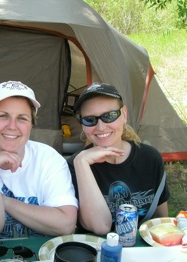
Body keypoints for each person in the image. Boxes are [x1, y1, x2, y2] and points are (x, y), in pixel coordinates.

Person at [0, 80, 78, 241]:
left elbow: (66, 225)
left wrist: (3, 200)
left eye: (22, 118)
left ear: (31, 125)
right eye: (3, 116)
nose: (12, 126)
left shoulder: (49, 159)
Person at [67, 82, 169, 235]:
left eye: (109, 116)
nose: (101, 127)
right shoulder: (74, 166)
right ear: (82, 124)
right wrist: (81, 163)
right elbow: (100, 227)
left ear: (124, 115)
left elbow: (161, 219)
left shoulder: (150, 158)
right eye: (90, 119)